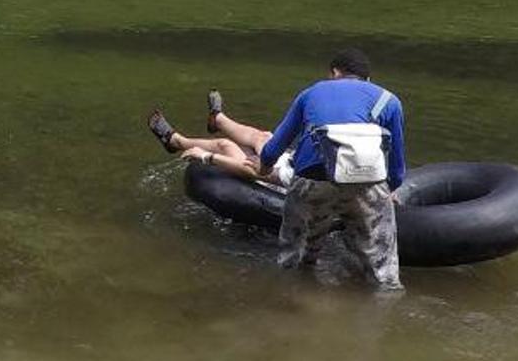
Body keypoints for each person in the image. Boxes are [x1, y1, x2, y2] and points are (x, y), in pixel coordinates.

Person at [149, 47, 405, 290]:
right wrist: (387, 191)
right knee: (382, 266)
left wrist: (263, 169)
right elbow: (396, 166)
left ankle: (291, 300)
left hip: (312, 181)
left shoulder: (312, 94)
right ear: (368, 79)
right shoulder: (389, 100)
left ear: (334, 72)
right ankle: (384, 298)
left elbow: (275, 146)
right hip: (368, 183)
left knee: (295, 256)